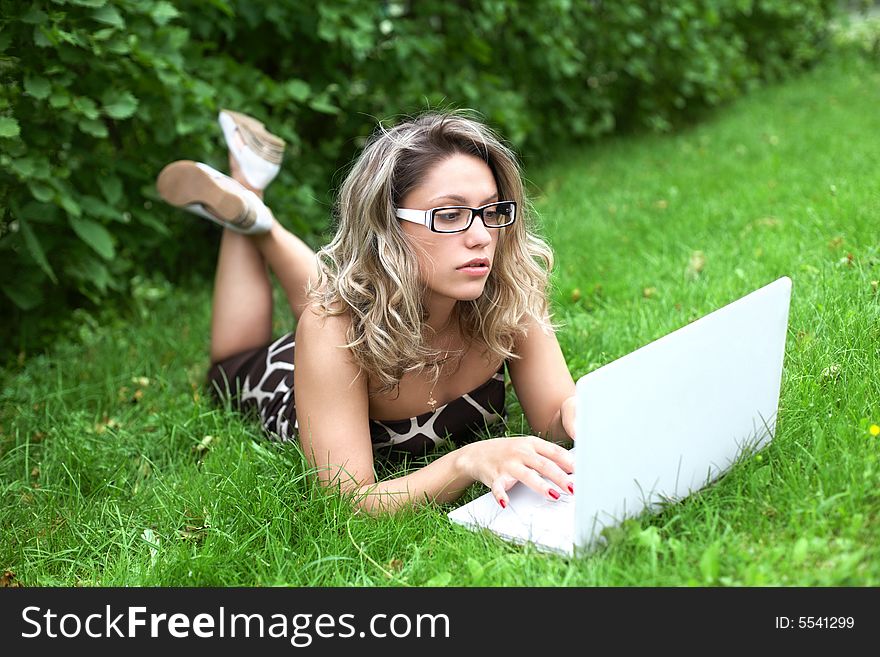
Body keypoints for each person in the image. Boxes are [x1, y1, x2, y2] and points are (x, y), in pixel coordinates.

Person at [156, 109, 576, 514]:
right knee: (241, 361)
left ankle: (255, 212)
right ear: (387, 225)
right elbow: (347, 500)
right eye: (450, 216)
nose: (482, 236)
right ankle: (250, 209)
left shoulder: (510, 290)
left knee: (346, 302)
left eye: (492, 211)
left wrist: (580, 412)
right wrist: (465, 462)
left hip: (373, 316)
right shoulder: (331, 331)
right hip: (299, 375)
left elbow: (554, 422)